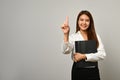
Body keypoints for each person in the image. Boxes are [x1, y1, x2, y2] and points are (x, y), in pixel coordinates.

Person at [61, 10, 106, 80]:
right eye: (81, 20)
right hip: (78, 72)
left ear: (90, 22)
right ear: (78, 21)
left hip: (93, 71)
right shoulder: (73, 37)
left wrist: (84, 56)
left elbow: (102, 55)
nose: (84, 23)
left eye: (87, 20)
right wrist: (66, 34)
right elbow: (65, 51)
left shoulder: (96, 36)